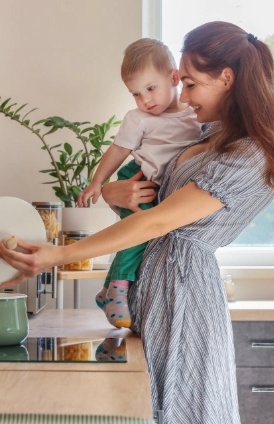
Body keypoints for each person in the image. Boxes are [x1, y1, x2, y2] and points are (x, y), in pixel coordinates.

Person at [0, 21, 274, 423]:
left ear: (226, 78)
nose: (184, 94)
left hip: (184, 297)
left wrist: (62, 254)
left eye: (190, 83)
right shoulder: (206, 136)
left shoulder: (249, 155)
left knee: (180, 406)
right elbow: (147, 197)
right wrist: (110, 192)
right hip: (155, 287)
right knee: (150, 404)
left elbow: (158, 223)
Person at [77, 38, 201, 329]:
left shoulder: (194, 112)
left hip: (160, 183)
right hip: (138, 176)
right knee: (138, 234)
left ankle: (107, 291)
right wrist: (98, 182)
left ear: (173, 77)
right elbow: (118, 150)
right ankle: (119, 289)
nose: (146, 100)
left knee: (145, 233)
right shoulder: (140, 118)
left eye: (150, 88)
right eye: (136, 94)